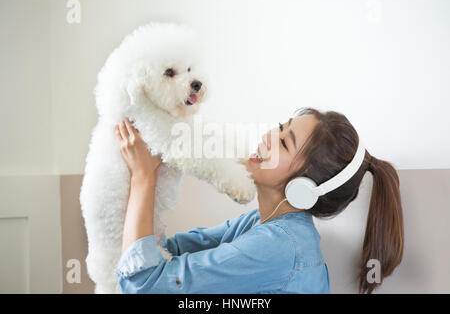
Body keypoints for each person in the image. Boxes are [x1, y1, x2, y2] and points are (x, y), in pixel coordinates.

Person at [113, 107, 404, 294]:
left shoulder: (280, 246)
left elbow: (144, 285)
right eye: (279, 127)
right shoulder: (259, 222)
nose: (267, 136)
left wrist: (143, 177)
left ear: (304, 188)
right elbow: (168, 250)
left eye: (283, 143)